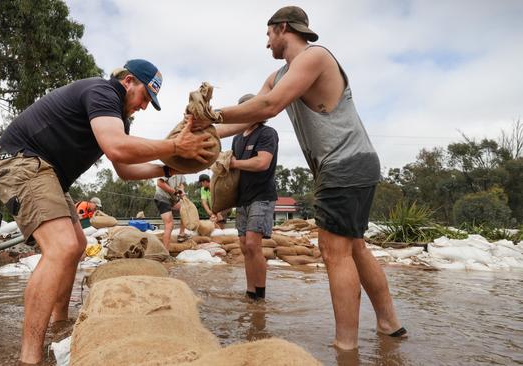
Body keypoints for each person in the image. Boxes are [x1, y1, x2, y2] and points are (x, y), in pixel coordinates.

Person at [194, 6, 405, 350]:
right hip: (349, 165)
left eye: (268, 35)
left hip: (346, 162)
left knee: (333, 251)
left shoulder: (314, 57)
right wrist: (200, 133)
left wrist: (210, 113)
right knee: (355, 247)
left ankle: (346, 347)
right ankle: (389, 323)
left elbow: (269, 107)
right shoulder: (279, 75)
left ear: (283, 29)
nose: (266, 44)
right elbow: (248, 115)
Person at [0, 58, 215, 364]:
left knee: (77, 246)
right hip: (23, 162)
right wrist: (175, 147)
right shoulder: (103, 92)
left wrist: (166, 166)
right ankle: (29, 358)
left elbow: (124, 169)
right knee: (61, 247)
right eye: (144, 98)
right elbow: (117, 147)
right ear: (128, 82)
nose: (144, 106)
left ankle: (59, 324)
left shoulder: (117, 118)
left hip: (49, 174)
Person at [230, 93, 278, 301]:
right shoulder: (237, 139)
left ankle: (261, 293)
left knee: (252, 244)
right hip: (243, 198)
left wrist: (234, 164)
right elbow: (231, 175)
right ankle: (250, 292)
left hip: (262, 196)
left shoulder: (267, 133)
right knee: (243, 246)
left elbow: (262, 163)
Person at [154, 174, 188, 249]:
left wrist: (182, 192)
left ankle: (181, 234)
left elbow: (181, 185)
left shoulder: (182, 171)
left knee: (185, 208)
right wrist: (175, 192)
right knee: (169, 224)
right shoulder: (169, 168)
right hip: (162, 197)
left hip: (173, 199)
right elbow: (159, 183)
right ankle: (165, 252)